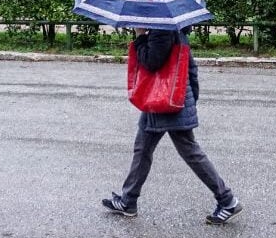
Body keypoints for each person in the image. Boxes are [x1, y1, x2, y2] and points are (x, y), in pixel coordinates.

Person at [102, 26, 242, 225]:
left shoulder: (162, 31)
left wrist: (140, 37)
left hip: (167, 102)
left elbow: (151, 62)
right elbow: (191, 69)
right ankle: (128, 200)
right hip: (167, 100)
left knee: (190, 152)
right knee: (143, 148)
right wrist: (191, 98)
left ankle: (227, 200)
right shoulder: (176, 30)